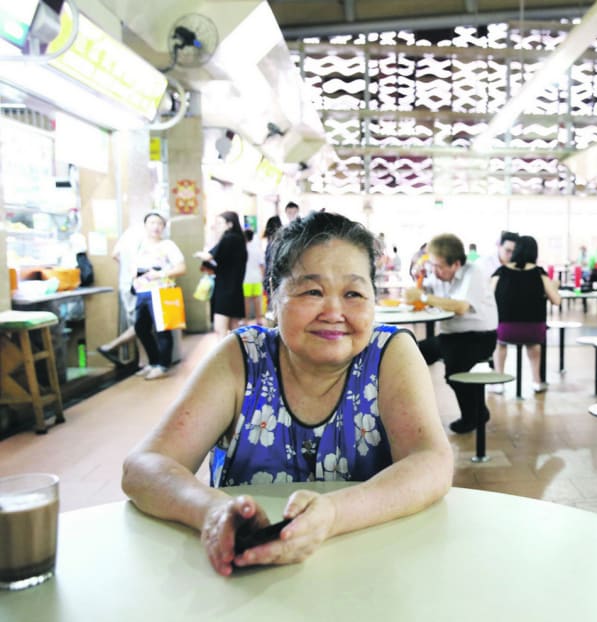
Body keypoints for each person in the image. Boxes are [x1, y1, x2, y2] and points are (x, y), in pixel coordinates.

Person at [121, 211, 453, 576]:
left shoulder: (390, 353)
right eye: (312, 291)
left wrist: (334, 513)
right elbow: (144, 468)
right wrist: (211, 510)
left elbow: (431, 462)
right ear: (272, 300)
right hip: (246, 579)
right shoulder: (242, 357)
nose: (334, 311)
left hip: (370, 571)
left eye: (354, 293)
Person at [404, 234, 498, 434]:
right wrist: (418, 278)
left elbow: (461, 306)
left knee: (454, 371)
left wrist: (422, 296)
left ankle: (475, 414)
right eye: (432, 265)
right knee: (412, 354)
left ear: (455, 264)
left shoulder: (474, 274)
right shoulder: (439, 274)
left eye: (438, 266)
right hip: (451, 336)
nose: (435, 271)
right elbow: (422, 293)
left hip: (479, 337)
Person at [490, 235, 561, 394]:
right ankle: (536, 381)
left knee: (499, 344)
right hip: (534, 331)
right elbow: (556, 300)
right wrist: (554, 285)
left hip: (505, 329)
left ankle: (498, 381)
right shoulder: (539, 273)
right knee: (534, 346)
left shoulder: (501, 272)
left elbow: (488, 297)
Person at [130, 212, 186, 380]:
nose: (156, 226)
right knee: (141, 328)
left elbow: (182, 268)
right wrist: (134, 278)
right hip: (142, 292)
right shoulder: (140, 245)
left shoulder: (168, 245)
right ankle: (153, 362)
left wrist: (161, 274)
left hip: (161, 291)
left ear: (163, 227)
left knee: (162, 329)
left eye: (159, 223)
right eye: (152, 223)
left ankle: (163, 365)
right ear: (145, 226)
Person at [195, 211, 247, 336]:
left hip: (225, 289)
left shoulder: (229, 238)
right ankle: (237, 354)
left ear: (230, 224)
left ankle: (224, 354)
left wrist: (199, 255)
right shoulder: (239, 239)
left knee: (221, 328)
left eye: (219, 223)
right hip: (235, 288)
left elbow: (210, 256)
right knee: (234, 328)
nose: (217, 226)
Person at [98, 223, 142, 366]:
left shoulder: (128, 232)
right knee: (143, 323)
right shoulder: (147, 236)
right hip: (139, 285)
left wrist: (127, 267)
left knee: (139, 323)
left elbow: (115, 255)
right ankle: (111, 346)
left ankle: (143, 361)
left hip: (125, 283)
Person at [242, 229, 265, 325]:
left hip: (246, 278)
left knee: (246, 300)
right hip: (257, 278)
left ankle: (246, 320)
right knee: (257, 299)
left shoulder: (243, 249)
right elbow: (262, 265)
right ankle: (259, 319)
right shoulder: (257, 249)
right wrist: (263, 277)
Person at [262, 215, 283, 296]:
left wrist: (266, 283)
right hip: (277, 282)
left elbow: (270, 265)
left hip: (273, 283)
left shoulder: (273, 244)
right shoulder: (280, 242)